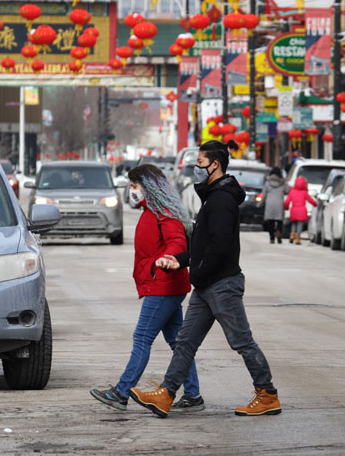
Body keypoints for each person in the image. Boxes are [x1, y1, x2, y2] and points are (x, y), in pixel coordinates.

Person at [129, 140, 280, 419]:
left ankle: (267, 393)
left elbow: (219, 245)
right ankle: (167, 393)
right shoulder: (213, 195)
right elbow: (202, 243)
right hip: (206, 284)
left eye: (200, 164)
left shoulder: (221, 199)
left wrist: (197, 269)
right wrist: (181, 261)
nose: (196, 169)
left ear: (215, 165)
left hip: (221, 284)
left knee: (241, 341)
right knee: (185, 342)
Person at [89, 164, 203, 413]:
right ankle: (193, 396)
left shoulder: (164, 213)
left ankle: (121, 392)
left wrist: (166, 260)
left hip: (163, 284)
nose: (132, 191)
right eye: (130, 186)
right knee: (177, 343)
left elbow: (176, 241)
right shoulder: (151, 211)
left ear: (148, 186)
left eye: (135, 186)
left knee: (142, 338)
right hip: (163, 284)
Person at [283, 176, 316, 245]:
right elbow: (310, 200)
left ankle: (292, 235)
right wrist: (315, 204)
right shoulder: (304, 193)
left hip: (294, 210)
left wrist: (286, 208)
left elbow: (287, 202)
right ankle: (297, 238)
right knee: (300, 225)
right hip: (302, 211)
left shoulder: (292, 192)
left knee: (294, 224)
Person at [262, 167, 285, 244]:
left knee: (270, 221)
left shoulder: (267, 183)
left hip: (270, 204)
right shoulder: (283, 183)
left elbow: (263, 195)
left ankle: (272, 238)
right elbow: (288, 190)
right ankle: (279, 231)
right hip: (279, 203)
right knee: (279, 221)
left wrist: (259, 204)